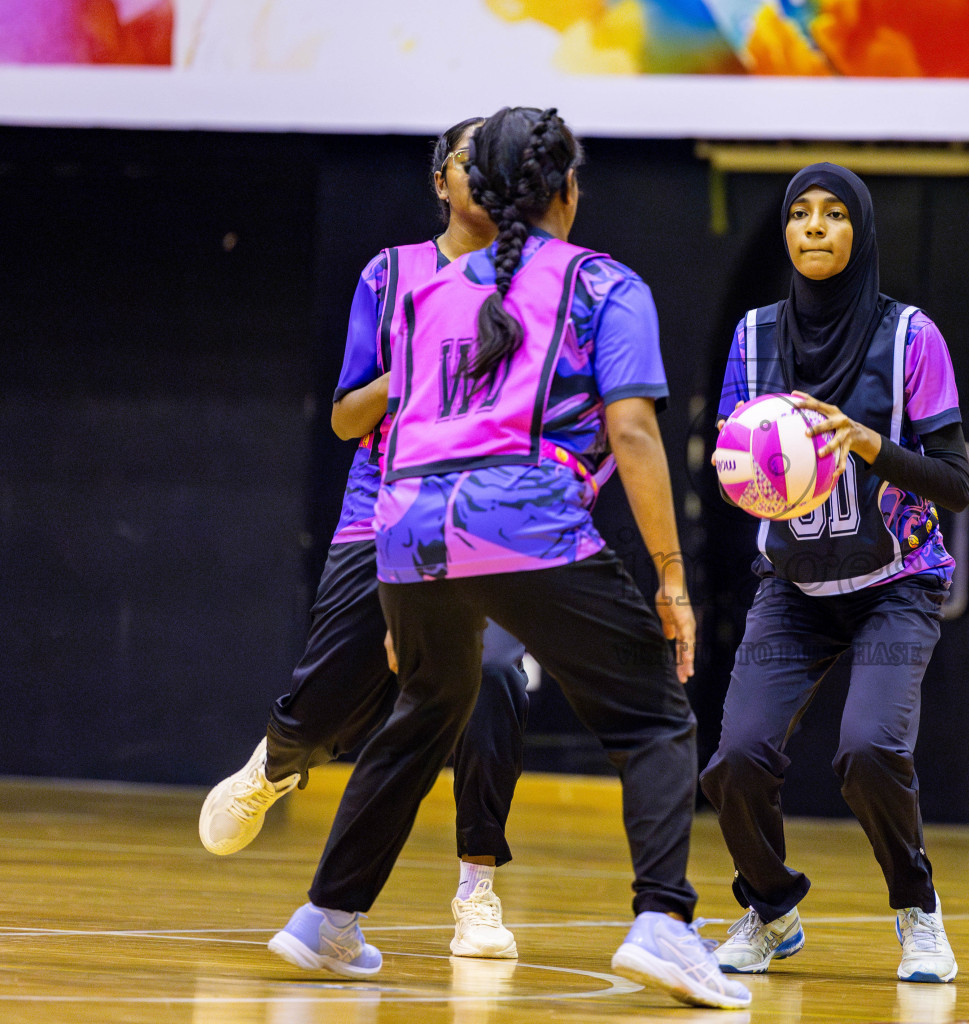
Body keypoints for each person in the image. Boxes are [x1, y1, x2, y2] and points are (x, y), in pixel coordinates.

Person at [264, 105, 749, 1010]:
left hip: (406, 525)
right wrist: (673, 577)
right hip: (519, 515)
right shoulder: (604, 285)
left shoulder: (426, 290)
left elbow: (395, 431)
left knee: (424, 712)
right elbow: (634, 433)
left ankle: (326, 918)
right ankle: (663, 923)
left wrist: (410, 584)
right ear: (568, 188)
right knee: (653, 717)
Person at [199, 116, 529, 959]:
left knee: (494, 680)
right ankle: (279, 760)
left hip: (484, 522)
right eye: (471, 160)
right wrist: (416, 362)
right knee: (336, 692)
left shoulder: (537, 282)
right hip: (381, 512)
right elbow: (349, 418)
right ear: (440, 180)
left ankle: (477, 889)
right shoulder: (392, 276)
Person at [700, 163, 969, 983]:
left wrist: (867, 445)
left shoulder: (911, 337)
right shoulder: (752, 341)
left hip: (897, 581)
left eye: (834, 214)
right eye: (800, 214)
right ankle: (771, 908)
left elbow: (956, 481)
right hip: (795, 586)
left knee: (867, 751)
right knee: (736, 760)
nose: (814, 228)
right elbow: (731, 460)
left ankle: (917, 910)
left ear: (861, 231)